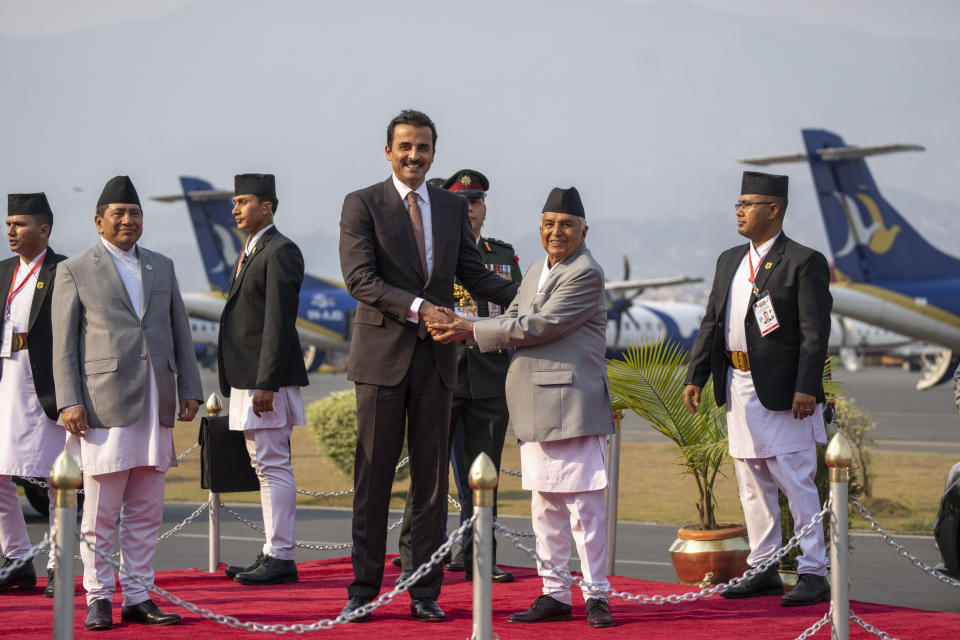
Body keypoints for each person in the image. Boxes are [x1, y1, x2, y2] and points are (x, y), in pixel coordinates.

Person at [338, 110, 519, 622]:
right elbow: (360, 280)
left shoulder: (447, 206)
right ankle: (363, 588)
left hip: (437, 359)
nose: (414, 155)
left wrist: (532, 298)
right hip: (382, 359)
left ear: (433, 153)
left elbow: (474, 274)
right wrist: (420, 308)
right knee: (373, 480)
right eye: (405, 147)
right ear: (389, 151)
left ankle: (423, 589)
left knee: (431, 481)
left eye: (422, 148)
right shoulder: (362, 204)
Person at [430, 186, 616, 628]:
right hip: (533, 404)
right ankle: (554, 592)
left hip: (572, 404)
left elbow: (539, 325)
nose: (557, 232)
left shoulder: (585, 272)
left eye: (567, 225)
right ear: (540, 228)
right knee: (545, 507)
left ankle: (597, 596)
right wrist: (467, 329)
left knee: (584, 510)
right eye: (549, 224)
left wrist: (467, 329)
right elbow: (512, 313)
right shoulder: (534, 269)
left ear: (583, 230)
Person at [52, 176, 203, 630]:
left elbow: (180, 330)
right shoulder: (75, 269)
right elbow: (63, 346)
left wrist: (191, 388)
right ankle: (98, 596)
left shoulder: (162, 266)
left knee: (145, 508)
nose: (128, 220)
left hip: (156, 399)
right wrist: (68, 401)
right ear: (99, 220)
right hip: (102, 405)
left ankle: (138, 595)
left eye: (135, 213)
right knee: (100, 510)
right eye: (119, 214)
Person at [682, 171, 832, 607]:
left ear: (774, 210)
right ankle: (763, 566)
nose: (739, 211)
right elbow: (712, 321)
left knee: (795, 481)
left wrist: (807, 387)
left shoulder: (803, 261)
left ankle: (813, 571)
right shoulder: (729, 259)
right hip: (738, 382)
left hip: (785, 392)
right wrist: (696, 376)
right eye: (738, 203)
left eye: (748, 204)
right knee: (751, 481)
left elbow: (813, 331)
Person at [395, 170, 520, 584]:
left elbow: (514, 310)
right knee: (426, 477)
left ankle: (479, 557)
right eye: (461, 202)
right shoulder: (432, 251)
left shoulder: (502, 254)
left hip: (487, 376)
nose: (469, 210)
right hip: (441, 370)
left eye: (476, 202)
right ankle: (418, 559)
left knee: (484, 475)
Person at [219, 173, 308, 586]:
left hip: (265, 379)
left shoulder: (280, 250)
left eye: (243, 201)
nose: (235, 209)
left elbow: (277, 321)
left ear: (267, 206)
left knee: (272, 464)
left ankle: (282, 555)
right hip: (250, 377)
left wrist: (266, 383)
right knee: (264, 464)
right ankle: (274, 550)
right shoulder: (253, 249)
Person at [0, 193, 65, 596]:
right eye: (8, 224)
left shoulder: (64, 271)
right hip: (6, 379)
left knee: (56, 478)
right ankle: (18, 557)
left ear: (43, 229)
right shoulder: (4, 270)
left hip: (46, 385)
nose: (10, 231)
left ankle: (58, 563)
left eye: (18, 224)